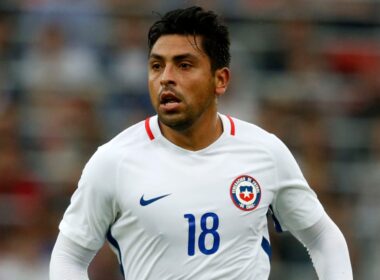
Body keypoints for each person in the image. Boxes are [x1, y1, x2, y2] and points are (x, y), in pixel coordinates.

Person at [49, 6, 353, 280]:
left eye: (183, 65)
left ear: (220, 80)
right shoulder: (113, 161)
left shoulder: (265, 152)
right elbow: (68, 256)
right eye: (157, 66)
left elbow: (322, 236)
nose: (166, 78)